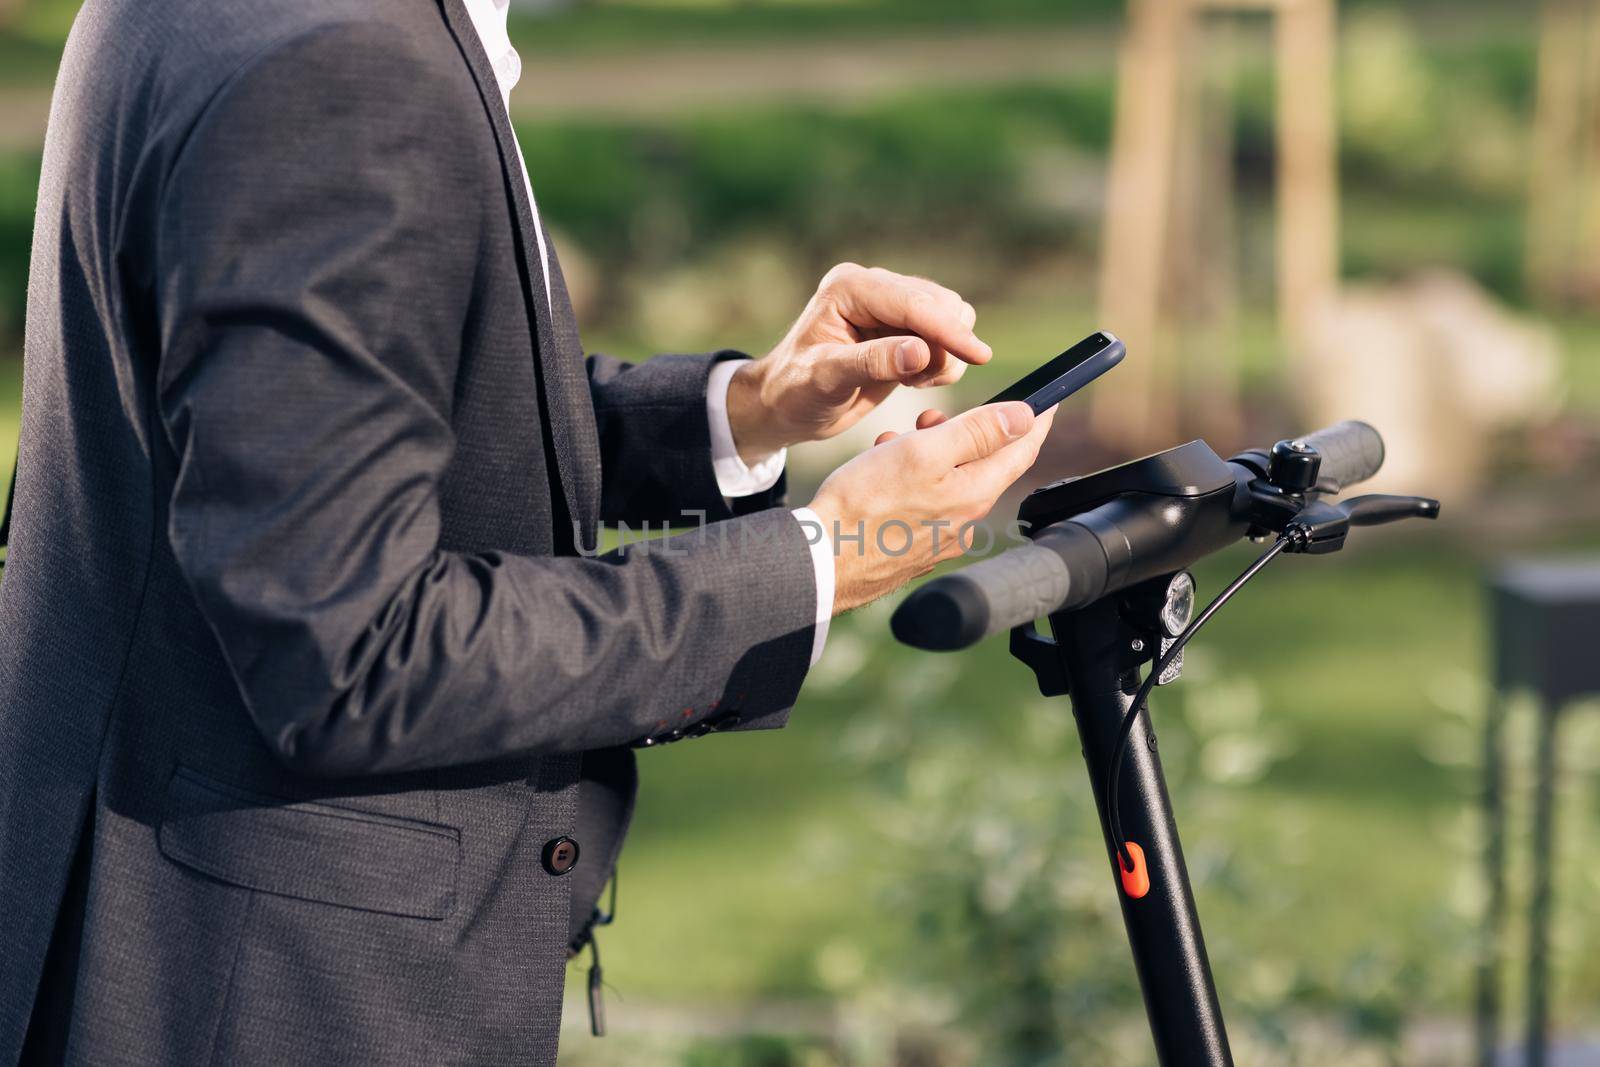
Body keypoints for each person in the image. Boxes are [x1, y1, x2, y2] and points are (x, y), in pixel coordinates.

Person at [0, 0, 1053, 1063]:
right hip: (275, 987)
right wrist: (824, 560)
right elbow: (355, 652)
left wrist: (744, 409)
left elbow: (317, 432)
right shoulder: (345, 65)